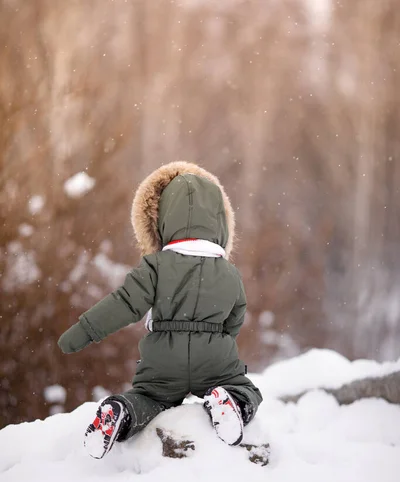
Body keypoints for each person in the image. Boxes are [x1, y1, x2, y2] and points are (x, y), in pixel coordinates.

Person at [58, 161, 263, 458]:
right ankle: (229, 401)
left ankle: (122, 413)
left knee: (149, 398)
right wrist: (220, 341)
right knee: (248, 390)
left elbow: (124, 304)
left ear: (163, 220)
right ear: (220, 221)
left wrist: (83, 332)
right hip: (214, 359)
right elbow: (236, 317)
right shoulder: (229, 272)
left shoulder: (155, 266)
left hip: (164, 360)